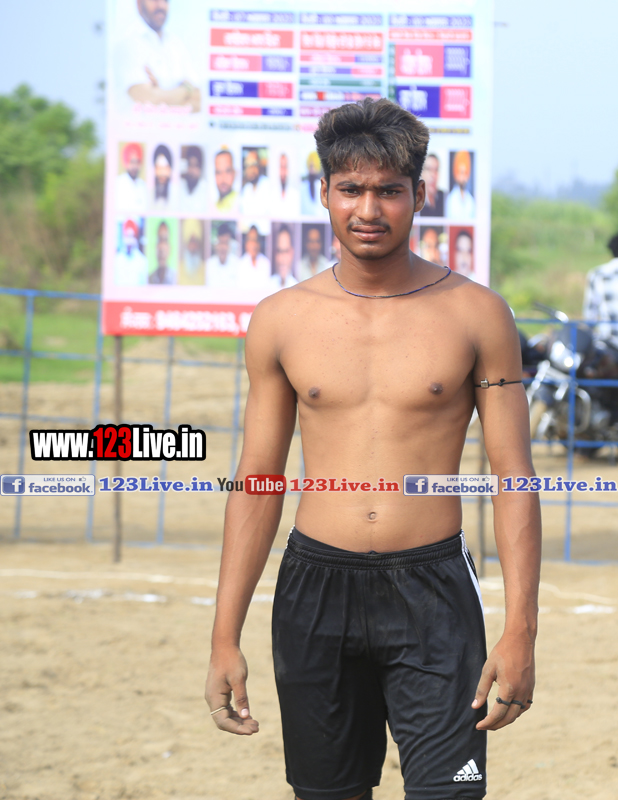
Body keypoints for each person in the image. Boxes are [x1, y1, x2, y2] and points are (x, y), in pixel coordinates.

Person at [203, 98, 540, 800]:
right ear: (324, 193)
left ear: (420, 195)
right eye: (351, 189)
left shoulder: (478, 314)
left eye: (389, 190)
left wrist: (521, 632)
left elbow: (514, 475)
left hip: (434, 588)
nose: (368, 209)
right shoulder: (281, 320)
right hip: (315, 588)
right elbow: (258, 479)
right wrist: (223, 636)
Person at [116, 0, 201, 112]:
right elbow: (147, 98)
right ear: (139, 3)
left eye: (165, 1)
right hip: (135, 123)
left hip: (178, 123)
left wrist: (160, 91)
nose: (161, 5)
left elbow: (199, 99)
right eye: (155, 0)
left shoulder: (176, 44)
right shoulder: (128, 42)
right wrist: (187, 90)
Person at [114, 219, 148, 286]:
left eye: (132, 236)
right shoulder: (117, 259)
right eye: (127, 236)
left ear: (135, 238)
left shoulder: (142, 260)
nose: (129, 241)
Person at [206, 222, 239, 288]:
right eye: (221, 242)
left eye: (226, 243)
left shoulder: (237, 264)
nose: (223, 247)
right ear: (216, 244)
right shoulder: (209, 264)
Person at [115, 143, 146, 212]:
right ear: (126, 163)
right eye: (132, 162)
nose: (134, 166)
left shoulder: (143, 185)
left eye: (137, 162)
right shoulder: (118, 183)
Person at [240, 148, 271, 216]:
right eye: (248, 165)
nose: (251, 169)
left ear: (259, 165)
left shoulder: (268, 185)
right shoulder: (246, 189)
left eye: (254, 164)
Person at [445, 151, 475, 218]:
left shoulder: (471, 201)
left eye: (466, 173)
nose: (464, 177)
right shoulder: (450, 199)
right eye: (461, 173)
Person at [178, 146, 206, 213]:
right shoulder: (179, 185)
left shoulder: (206, 190)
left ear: (200, 168)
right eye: (190, 164)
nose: (192, 170)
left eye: (196, 165)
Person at [269, 225, 298, 290]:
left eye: (286, 251)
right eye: (279, 251)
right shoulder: (266, 287)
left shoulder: (298, 290)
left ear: (292, 253)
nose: (282, 259)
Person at [417, 152, 445, 217]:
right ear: (421, 173)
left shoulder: (444, 197)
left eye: (436, 170)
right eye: (428, 169)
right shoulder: (415, 200)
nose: (433, 175)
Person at [148, 220, 176, 284]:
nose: (162, 247)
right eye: (159, 240)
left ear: (170, 247)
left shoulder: (176, 279)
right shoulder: (149, 279)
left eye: (165, 240)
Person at [151, 144, 173, 209]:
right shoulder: (147, 193)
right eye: (159, 167)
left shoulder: (177, 194)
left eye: (165, 167)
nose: (162, 172)